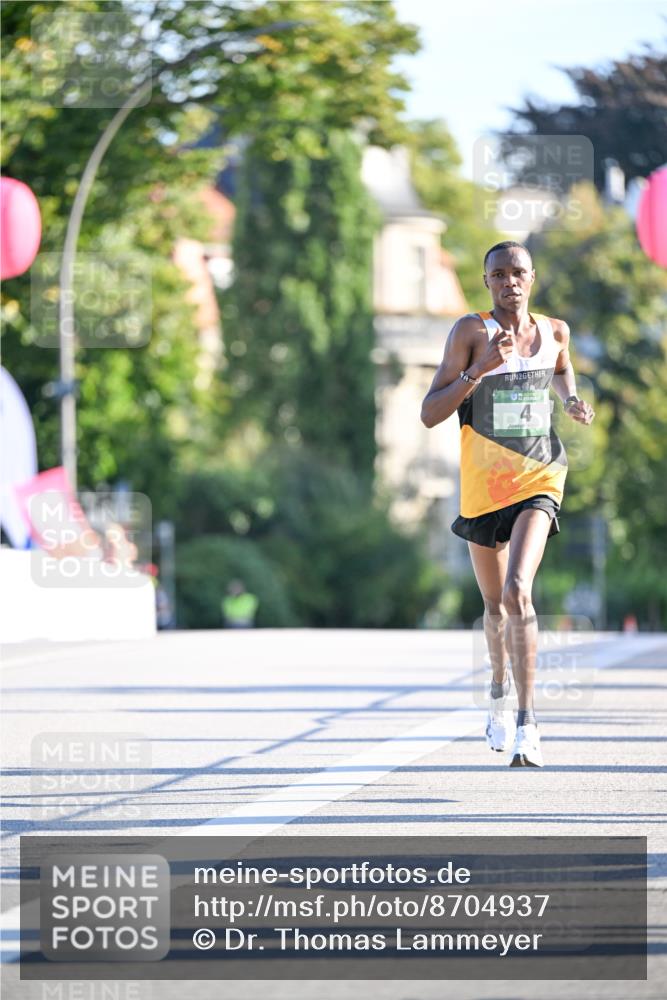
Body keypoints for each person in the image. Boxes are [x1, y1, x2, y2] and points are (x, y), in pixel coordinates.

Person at [421, 241, 594, 767]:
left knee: (519, 590)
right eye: (498, 274)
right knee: (495, 606)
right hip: (484, 486)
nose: (509, 282)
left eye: (518, 272)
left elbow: (561, 367)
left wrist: (570, 398)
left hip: (540, 475)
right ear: (487, 281)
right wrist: (479, 370)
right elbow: (430, 413)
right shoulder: (470, 333)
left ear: (532, 277)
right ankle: (498, 689)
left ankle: (528, 722)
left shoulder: (555, 331)